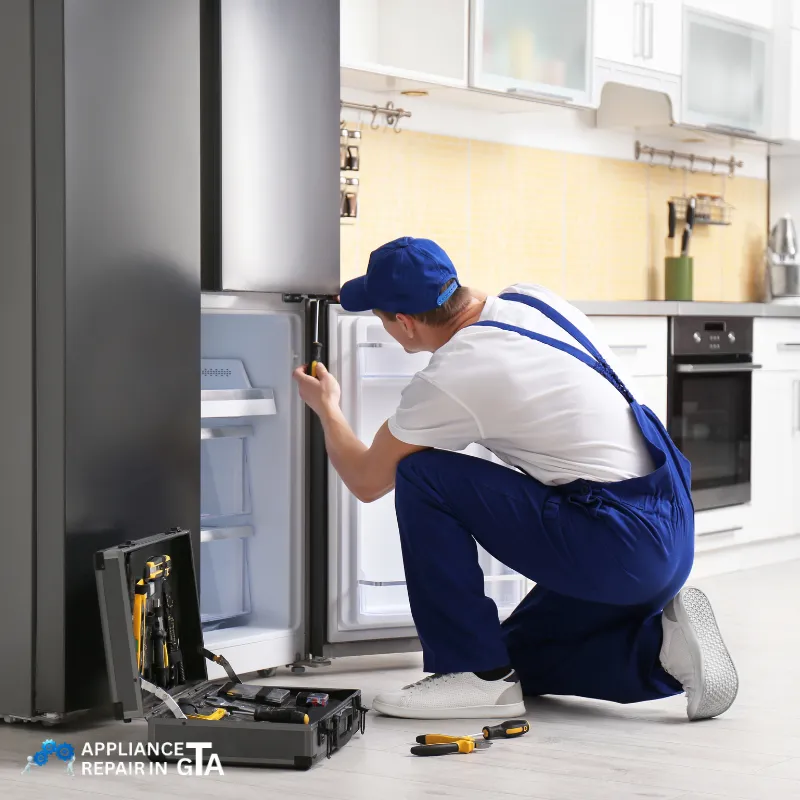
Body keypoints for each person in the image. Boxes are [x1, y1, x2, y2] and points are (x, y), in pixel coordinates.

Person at [293, 236, 738, 721]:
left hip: (618, 543)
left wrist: (328, 409)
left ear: (405, 323)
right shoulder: (531, 299)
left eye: (382, 319)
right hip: (668, 522)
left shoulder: (455, 373)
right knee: (513, 658)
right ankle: (663, 651)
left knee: (422, 474)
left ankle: (470, 674)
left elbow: (366, 479)